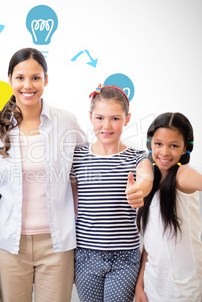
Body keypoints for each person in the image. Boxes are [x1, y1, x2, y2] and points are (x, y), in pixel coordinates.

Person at [0, 47, 87, 302]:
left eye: (36, 77)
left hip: (57, 243)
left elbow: (85, 169)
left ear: (46, 80)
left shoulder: (66, 121)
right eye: (20, 78)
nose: (28, 85)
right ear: (10, 79)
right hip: (9, 244)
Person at [70, 84, 154, 302]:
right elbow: (69, 203)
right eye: (100, 118)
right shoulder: (77, 156)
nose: (106, 125)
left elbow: (147, 177)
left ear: (127, 118)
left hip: (125, 259)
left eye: (115, 119)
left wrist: (138, 190)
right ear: (90, 117)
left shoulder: (137, 157)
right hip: (85, 255)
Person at [135, 112, 202, 302]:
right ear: (150, 144)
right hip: (155, 284)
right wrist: (140, 286)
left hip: (187, 287)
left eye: (173, 145)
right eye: (158, 144)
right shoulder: (149, 182)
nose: (164, 152)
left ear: (185, 148)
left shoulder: (182, 174)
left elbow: (191, 178)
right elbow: (150, 244)